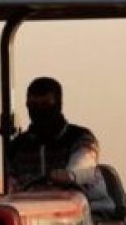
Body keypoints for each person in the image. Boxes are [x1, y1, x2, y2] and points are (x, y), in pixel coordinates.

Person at [8, 76, 114, 216]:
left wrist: (70, 174)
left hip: (85, 215)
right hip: (33, 215)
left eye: (45, 105)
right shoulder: (17, 147)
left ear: (58, 104)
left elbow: (84, 163)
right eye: (34, 105)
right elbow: (8, 181)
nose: (39, 111)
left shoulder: (80, 138)